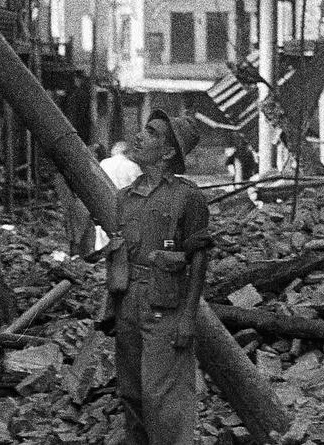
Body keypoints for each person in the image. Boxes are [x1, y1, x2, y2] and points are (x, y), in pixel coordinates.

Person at [99, 111, 212, 445]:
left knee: (164, 400)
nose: (138, 136)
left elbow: (200, 256)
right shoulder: (124, 198)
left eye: (150, 133)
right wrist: (111, 307)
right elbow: (119, 255)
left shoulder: (187, 196)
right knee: (132, 394)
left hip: (166, 304)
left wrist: (189, 316)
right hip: (128, 303)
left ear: (167, 152)